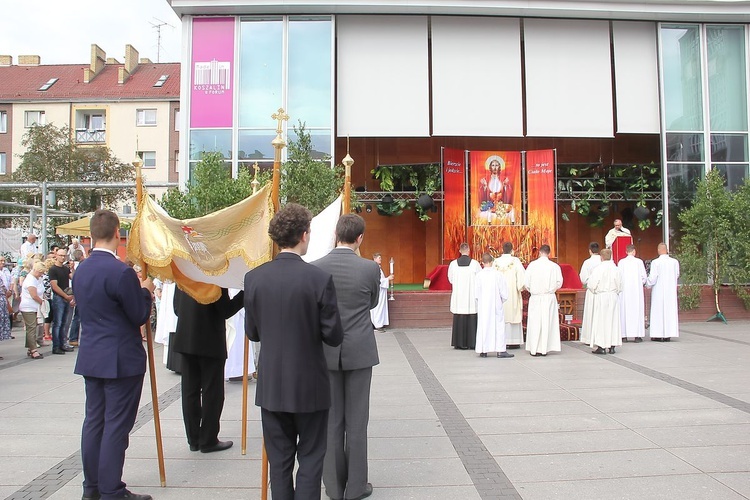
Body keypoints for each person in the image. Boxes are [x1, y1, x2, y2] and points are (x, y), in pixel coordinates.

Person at [244, 203, 344, 500]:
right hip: (310, 384)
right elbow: (334, 335)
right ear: (303, 234)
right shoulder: (318, 279)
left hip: (273, 385)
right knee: (311, 462)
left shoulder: (254, 278)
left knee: (280, 462)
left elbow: (253, 332)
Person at [73, 209, 155, 500]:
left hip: (93, 354)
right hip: (120, 358)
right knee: (116, 427)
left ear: (92, 234)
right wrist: (145, 290)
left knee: (94, 422)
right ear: (117, 232)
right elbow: (137, 314)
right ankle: (110, 489)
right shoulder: (120, 272)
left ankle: (92, 486)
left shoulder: (81, 269)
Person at [313, 213, 380, 500]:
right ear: (360, 238)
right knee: (357, 421)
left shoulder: (316, 268)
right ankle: (355, 487)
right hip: (359, 349)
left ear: (335, 234)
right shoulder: (369, 269)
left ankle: (333, 485)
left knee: (331, 421)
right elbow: (373, 302)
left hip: (326, 352)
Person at [172, 285, 244, 453]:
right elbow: (225, 310)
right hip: (210, 338)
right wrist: (244, 294)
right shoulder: (214, 276)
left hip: (187, 337)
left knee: (190, 390)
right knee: (213, 392)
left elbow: (176, 308)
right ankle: (208, 439)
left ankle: (193, 438)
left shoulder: (184, 273)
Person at [524, 244, 563, 357]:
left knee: (535, 322)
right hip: (548, 297)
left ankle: (534, 349)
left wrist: (533, 290)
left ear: (539, 253)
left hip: (536, 297)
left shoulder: (532, 265)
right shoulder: (554, 266)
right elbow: (559, 282)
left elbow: (526, 282)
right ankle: (545, 348)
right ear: (549, 253)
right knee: (547, 322)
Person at [475, 253, 511, 358]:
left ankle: (483, 350)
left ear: (482, 262)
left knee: (483, 326)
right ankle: (500, 350)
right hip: (496, 305)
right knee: (498, 326)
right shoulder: (498, 275)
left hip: (483, 305)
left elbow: (476, 294)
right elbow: (504, 293)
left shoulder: (479, 275)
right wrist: (500, 301)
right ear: (492, 262)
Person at [587, 249, 622, 354]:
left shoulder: (598, 269)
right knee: (613, 321)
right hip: (613, 296)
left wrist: (595, 291)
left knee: (601, 322)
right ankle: (612, 345)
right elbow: (620, 285)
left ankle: (601, 346)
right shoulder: (616, 269)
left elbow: (591, 284)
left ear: (601, 257)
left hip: (602, 296)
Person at [448, 242, 481, 350]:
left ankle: (459, 343)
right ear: (469, 251)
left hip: (459, 296)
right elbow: (479, 280)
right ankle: (472, 343)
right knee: (471, 317)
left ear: (460, 251)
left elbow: (451, 279)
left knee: (459, 317)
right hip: (471, 297)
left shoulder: (453, 264)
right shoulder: (475, 264)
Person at [492, 241, 525, 348]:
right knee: (512, 313)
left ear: (502, 249)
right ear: (512, 250)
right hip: (512, 294)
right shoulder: (515, 261)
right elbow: (521, 277)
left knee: (502, 314)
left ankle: (501, 341)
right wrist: (521, 287)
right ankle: (513, 341)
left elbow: (492, 277)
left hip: (499, 294)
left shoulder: (496, 262)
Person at [647, 243, 680, 341]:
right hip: (670, 291)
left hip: (659, 290)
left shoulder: (656, 262)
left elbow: (653, 277)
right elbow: (677, 274)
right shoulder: (674, 262)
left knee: (658, 311)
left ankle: (658, 334)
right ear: (667, 250)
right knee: (669, 311)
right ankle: (668, 334)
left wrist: (647, 284)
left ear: (658, 250)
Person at [618, 244, 647, 342]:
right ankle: (637, 335)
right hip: (636, 292)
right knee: (637, 311)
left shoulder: (621, 262)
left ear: (626, 252)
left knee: (624, 311)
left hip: (624, 292)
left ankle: (624, 335)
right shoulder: (639, 262)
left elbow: (619, 277)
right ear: (634, 252)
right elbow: (644, 277)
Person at [49, 248, 75, 354]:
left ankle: (62, 343)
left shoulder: (65, 268)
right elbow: (54, 286)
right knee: (58, 322)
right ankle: (56, 346)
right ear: (56, 255)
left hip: (66, 296)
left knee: (64, 322)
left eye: (64, 256)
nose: (62, 257)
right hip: (58, 297)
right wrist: (65, 296)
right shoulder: (53, 269)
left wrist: (72, 268)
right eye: (61, 255)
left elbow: (73, 277)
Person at [19, 261, 46, 360]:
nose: (41, 274)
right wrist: (42, 302)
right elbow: (34, 295)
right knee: (31, 328)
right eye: (40, 272)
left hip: (33, 307)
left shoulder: (36, 279)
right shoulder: (30, 280)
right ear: (35, 270)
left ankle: (30, 348)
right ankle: (33, 350)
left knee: (32, 327)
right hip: (28, 307)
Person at [579, 242, 602, 345]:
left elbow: (583, 278)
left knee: (590, 314)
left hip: (592, 291)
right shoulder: (604, 262)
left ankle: (589, 338)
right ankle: (600, 337)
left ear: (590, 250)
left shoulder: (587, 262)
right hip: (602, 292)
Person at [369, 252, 393, 333]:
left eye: (380, 258)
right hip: (378, 291)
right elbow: (378, 280)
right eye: (379, 258)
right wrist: (388, 279)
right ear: (374, 258)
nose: (380, 259)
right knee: (378, 307)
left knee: (379, 307)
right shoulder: (375, 268)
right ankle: (378, 324)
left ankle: (377, 323)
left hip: (381, 290)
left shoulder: (377, 268)